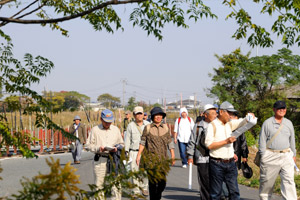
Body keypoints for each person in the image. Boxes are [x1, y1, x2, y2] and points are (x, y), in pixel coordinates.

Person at [205, 101, 255, 200]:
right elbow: (209, 145)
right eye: (229, 113)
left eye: (232, 113)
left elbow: (241, 122)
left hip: (231, 163)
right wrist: (226, 141)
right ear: (221, 112)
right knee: (216, 193)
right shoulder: (212, 125)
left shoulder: (229, 124)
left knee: (234, 192)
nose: (231, 115)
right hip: (216, 163)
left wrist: (248, 117)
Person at [258, 100, 297, 200]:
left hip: (286, 155)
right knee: (267, 182)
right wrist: (263, 155)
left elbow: (292, 139)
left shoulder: (289, 123)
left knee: (289, 181)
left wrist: (293, 154)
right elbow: (262, 140)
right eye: (279, 108)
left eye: (283, 108)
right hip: (270, 155)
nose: (281, 110)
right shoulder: (267, 123)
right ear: (274, 109)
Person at [136, 107, 175, 200]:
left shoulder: (165, 128)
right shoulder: (148, 128)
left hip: (163, 160)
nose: (158, 117)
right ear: (153, 117)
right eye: (156, 115)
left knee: (162, 183)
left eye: (160, 115)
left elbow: (170, 142)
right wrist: (138, 155)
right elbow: (142, 142)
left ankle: (157, 197)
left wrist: (172, 155)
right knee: (153, 184)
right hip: (151, 160)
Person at [86, 109, 124, 200]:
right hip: (100, 159)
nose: (108, 124)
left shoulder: (116, 130)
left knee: (116, 184)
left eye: (110, 122)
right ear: (101, 119)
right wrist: (98, 148)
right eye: (106, 121)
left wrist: (117, 147)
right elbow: (88, 145)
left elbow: (122, 144)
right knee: (99, 184)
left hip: (114, 159)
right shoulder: (95, 130)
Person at [187, 104, 218, 200]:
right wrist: (190, 156)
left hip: (215, 157)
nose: (215, 115)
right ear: (205, 115)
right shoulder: (198, 126)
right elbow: (192, 141)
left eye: (215, 113)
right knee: (204, 181)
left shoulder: (218, 125)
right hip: (202, 157)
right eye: (212, 113)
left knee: (215, 180)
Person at [124, 106, 150, 196]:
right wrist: (126, 152)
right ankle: (135, 191)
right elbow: (127, 139)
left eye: (140, 113)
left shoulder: (148, 124)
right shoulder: (130, 125)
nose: (139, 115)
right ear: (134, 115)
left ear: (143, 114)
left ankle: (144, 187)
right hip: (134, 151)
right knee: (134, 171)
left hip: (145, 152)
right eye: (137, 114)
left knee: (144, 171)